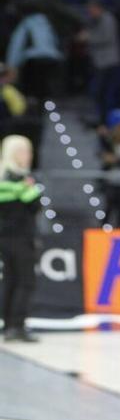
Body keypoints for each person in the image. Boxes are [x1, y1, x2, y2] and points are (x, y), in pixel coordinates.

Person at [0, 135, 42, 342]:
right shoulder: (20, 181)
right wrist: (29, 187)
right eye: (26, 151)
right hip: (20, 237)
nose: (29, 156)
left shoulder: (2, 178)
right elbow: (34, 205)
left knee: (10, 279)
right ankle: (17, 325)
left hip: (5, 237)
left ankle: (8, 324)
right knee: (25, 281)